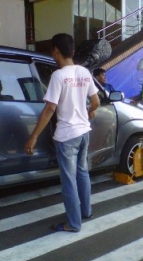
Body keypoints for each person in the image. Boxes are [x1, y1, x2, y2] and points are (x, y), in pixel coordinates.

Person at [24, 33, 100, 232]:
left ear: (56, 51)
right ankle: (86, 212)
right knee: (82, 173)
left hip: (67, 136)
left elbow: (50, 108)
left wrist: (33, 136)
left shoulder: (58, 76)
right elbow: (96, 101)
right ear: (73, 51)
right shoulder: (84, 72)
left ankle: (73, 223)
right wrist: (90, 111)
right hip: (84, 132)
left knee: (69, 181)